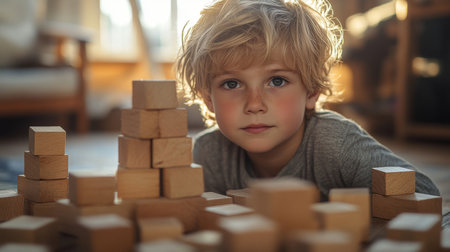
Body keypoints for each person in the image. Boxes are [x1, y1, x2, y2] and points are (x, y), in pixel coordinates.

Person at [175, 0, 440, 199]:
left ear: (312, 91)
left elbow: (425, 196)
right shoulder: (208, 153)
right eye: (231, 84)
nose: (254, 104)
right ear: (208, 99)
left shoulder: (336, 144)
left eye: (277, 81)